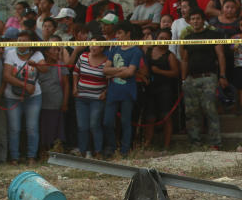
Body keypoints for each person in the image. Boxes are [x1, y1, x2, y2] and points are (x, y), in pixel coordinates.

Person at [180, 8, 227, 148]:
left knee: (210, 109)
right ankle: (195, 143)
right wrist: (183, 79)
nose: (195, 21)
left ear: (203, 20)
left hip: (209, 77)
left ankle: (215, 144)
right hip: (191, 79)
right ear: (189, 21)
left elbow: (221, 56)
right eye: (192, 19)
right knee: (191, 112)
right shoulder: (187, 39)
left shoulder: (213, 34)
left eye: (198, 18)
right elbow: (184, 60)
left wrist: (222, 75)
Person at [2, 30, 47, 165]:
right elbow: (7, 75)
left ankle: (31, 157)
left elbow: (45, 69)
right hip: (12, 96)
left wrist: (37, 64)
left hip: (34, 97)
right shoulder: (10, 54)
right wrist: (24, 85)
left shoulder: (37, 54)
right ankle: (14, 158)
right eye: (19, 40)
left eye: (24, 41)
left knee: (32, 127)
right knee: (14, 128)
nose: (21, 44)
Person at [102, 21, 142, 156]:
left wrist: (112, 74)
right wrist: (120, 69)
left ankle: (125, 150)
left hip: (128, 91)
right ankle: (111, 147)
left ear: (128, 34)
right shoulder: (114, 48)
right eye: (116, 33)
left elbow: (130, 72)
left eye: (119, 33)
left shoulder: (136, 50)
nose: (117, 36)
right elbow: (105, 69)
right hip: (113, 91)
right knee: (107, 121)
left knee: (126, 121)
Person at [140, 28, 179, 147]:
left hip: (165, 88)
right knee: (149, 117)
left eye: (166, 39)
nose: (163, 40)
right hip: (149, 88)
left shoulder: (170, 56)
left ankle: (166, 146)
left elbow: (175, 73)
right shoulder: (148, 50)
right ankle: (147, 143)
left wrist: (159, 71)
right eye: (161, 38)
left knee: (165, 116)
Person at [73, 36, 109, 158]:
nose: (93, 47)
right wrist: (74, 87)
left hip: (97, 99)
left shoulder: (107, 61)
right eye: (91, 44)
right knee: (82, 126)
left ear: (102, 47)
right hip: (81, 97)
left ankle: (98, 151)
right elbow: (75, 72)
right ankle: (82, 151)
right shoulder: (83, 57)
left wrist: (106, 92)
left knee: (94, 125)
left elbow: (111, 79)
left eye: (96, 44)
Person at [37, 44, 69, 154]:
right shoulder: (39, 65)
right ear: (46, 52)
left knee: (56, 129)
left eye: (58, 50)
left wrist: (65, 102)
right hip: (41, 104)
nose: (57, 52)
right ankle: (43, 152)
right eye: (54, 50)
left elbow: (66, 84)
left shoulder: (61, 65)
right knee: (43, 129)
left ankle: (56, 152)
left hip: (56, 104)